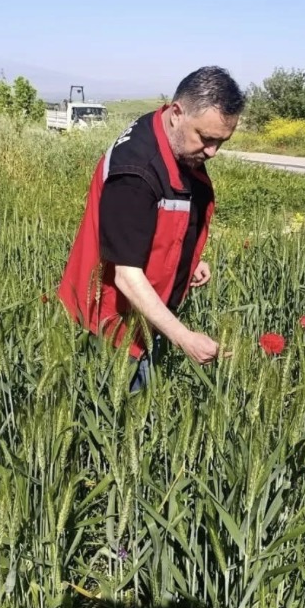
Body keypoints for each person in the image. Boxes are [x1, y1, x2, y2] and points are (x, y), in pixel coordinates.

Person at [57, 66, 246, 392]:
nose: (213, 152)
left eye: (222, 141)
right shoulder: (136, 172)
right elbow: (126, 276)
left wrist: (187, 261)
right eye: (206, 138)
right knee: (117, 420)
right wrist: (184, 338)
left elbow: (154, 220)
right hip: (113, 326)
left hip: (147, 318)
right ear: (177, 113)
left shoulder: (169, 138)